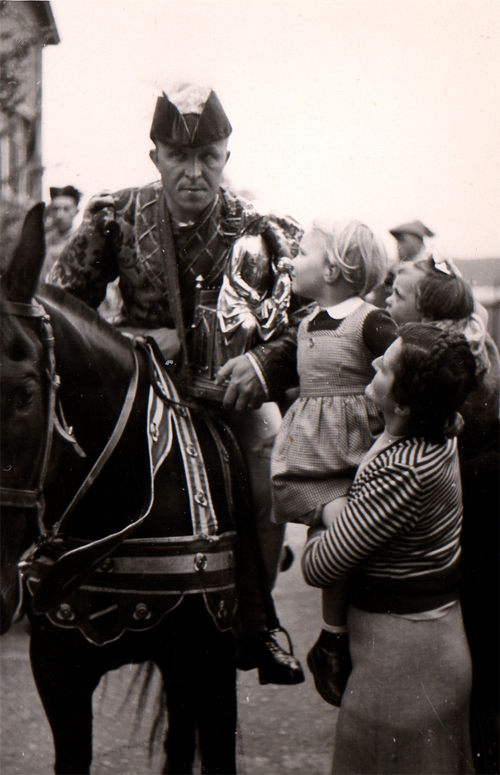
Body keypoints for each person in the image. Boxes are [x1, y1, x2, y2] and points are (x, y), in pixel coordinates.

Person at [49, 82, 305, 684]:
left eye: (207, 157)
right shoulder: (113, 218)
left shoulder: (262, 233)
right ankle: (40, 572)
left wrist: (264, 364)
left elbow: (307, 325)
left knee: (270, 459)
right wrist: (127, 340)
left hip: (225, 399)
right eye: (177, 157)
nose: (193, 172)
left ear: (226, 158)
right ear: (155, 157)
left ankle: (256, 616)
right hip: (132, 392)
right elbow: (63, 310)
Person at [302, 323, 477, 775]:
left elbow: (319, 566)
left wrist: (326, 509)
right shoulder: (439, 428)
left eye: (387, 365)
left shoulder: (403, 471)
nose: (376, 361)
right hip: (426, 652)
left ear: (402, 404)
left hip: (402, 667)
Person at [270, 219, 397, 705]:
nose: (290, 261)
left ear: (331, 268)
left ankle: (333, 636)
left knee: (337, 540)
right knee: (329, 537)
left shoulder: (369, 321)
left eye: (301, 253)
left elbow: (404, 372)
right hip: (310, 459)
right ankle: (333, 635)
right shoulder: (303, 323)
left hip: (358, 455)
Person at [386, 254, 500, 774]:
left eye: (398, 296)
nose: (387, 303)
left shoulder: (442, 372)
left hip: (472, 541)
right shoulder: (454, 359)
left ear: (427, 317)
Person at [43, 186, 81, 280]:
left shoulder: (81, 240)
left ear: (76, 212)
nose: (59, 215)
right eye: (56, 209)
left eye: (66, 209)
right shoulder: (45, 240)